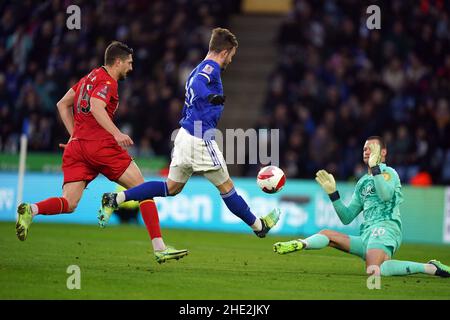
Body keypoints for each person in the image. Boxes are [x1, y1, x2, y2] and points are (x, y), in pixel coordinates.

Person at [15, 41, 188, 264]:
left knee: (69, 203)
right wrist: (116, 133)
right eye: (129, 63)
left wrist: (74, 136)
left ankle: (31, 209)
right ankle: (159, 247)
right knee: (143, 190)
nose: (131, 68)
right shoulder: (109, 81)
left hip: (78, 148)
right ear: (117, 62)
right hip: (101, 146)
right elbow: (96, 106)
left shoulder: (89, 77)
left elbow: (62, 104)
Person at [99, 28, 281, 238]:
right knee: (227, 188)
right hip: (199, 137)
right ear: (225, 52)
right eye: (231, 55)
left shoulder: (197, 68)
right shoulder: (210, 68)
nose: (230, 59)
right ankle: (259, 226)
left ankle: (116, 199)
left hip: (185, 135)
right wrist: (210, 96)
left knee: (171, 188)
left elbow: (192, 91)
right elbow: (198, 86)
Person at [273, 136, 449, 278]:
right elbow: (347, 217)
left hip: (385, 229)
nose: (366, 151)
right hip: (366, 236)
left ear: (383, 153)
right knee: (327, 234)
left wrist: (376, 169)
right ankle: (300, 243)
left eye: (371, 148)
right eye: (364, 148)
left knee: (374, 271)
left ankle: (429, 267)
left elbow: (386, 195)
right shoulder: (362, 182)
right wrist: (333, 194)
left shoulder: (389, 173)